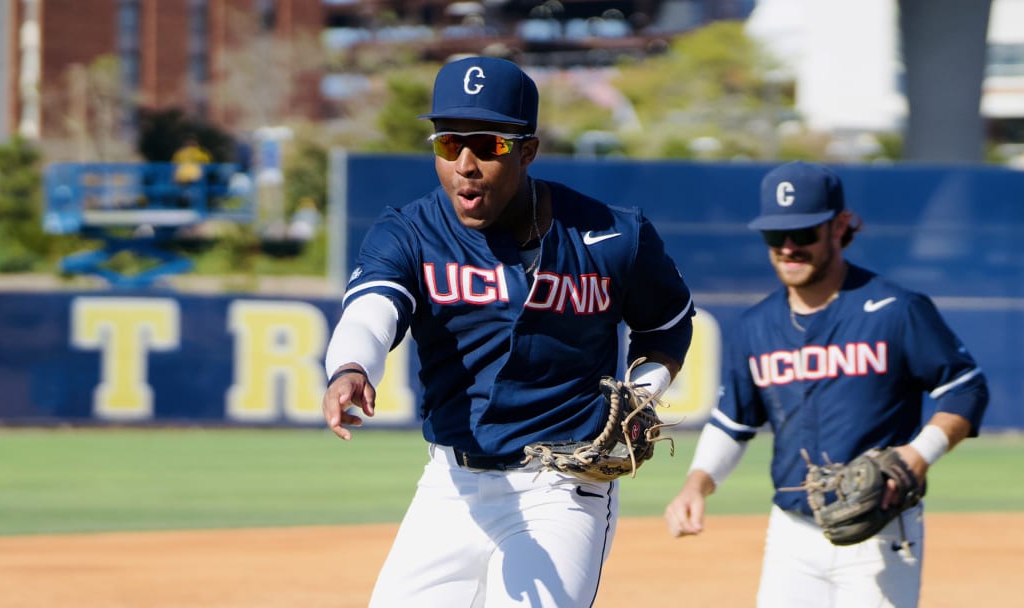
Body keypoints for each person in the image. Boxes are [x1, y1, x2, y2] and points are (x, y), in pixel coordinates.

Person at [323, 56, 695, 607]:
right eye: (449, 143)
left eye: (488, 145)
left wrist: (643, 394)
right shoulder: (411, 231)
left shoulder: (612, 235)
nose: (465, 165)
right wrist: (351, 367)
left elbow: (668, 324)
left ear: (527, 150)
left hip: (562, 485)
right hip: (450, 484)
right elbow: (370, 310)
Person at [663, 161, 989, 607]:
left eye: (803, 233)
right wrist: (695, 485)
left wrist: (918, 455)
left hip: (880, 530)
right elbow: (733, 423)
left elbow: (966, 388)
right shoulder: (756, 326)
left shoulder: (895, 309)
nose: (789, 247)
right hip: (791, 534)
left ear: (839, 226)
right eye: (776, 235)